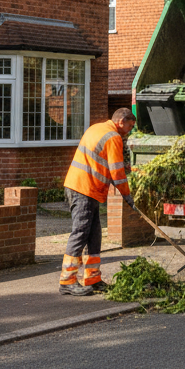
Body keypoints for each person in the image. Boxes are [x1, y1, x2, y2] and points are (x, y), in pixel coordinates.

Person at [59, 108, 135, 296]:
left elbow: (104, 162)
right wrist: (128, 195)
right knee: (80, 233)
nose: (130, 131)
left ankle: (92, 278)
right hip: (84, 189)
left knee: (94, 236)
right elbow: (117, 173)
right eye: (130, 126)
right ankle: (67, 281)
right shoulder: (113, 137)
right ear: (121, 122)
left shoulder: (97, 128)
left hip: (84, 187)